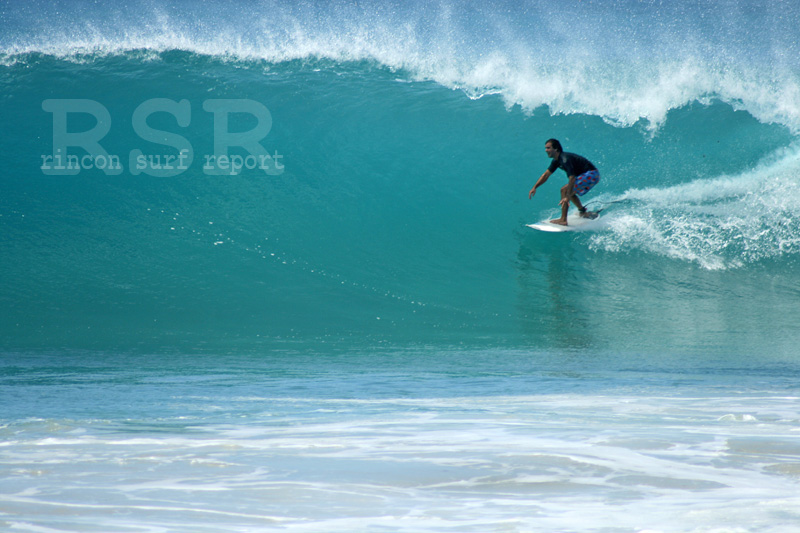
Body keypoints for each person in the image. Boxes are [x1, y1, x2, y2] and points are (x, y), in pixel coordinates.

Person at [528, 138, 600, 226]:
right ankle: (582, 212)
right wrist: (535, 187)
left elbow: (572, 178)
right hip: (586, 175)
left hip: (592, 174)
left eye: (548, 148)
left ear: (556, 149)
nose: (546, 150)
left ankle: (563, 220)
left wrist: (567, 196)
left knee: (565, 190)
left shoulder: (565, 159)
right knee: (569, 191)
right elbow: (545, 175)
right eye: (545, 148)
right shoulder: (556, 161)